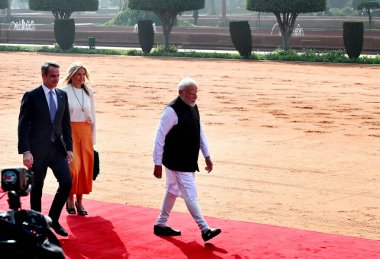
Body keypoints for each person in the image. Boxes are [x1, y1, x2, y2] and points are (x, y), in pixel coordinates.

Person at [153, 77, 221, 242]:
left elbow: (200, 132)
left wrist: (207, 155)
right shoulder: (171, 111)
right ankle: (204, 229)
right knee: (190, 194)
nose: (194, 97)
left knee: (172, 191)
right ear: (180, 93)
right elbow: (159, 137)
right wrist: (157, 163)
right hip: (176, 161)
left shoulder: (193, 107)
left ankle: (161, 224)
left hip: (188, 160)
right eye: (191, 93)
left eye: (195, 93)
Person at [18, 61, 73, 237]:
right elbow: (23, 125)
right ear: (43, 76)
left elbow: (66, 125)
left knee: (66, 183)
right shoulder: (32, 96)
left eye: (58, 76)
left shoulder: (62, 95)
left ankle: (53, 220)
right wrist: (26, 151)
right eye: (52, 76)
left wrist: (69, 148)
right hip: (37, 151)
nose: (56, 79)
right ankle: (37, 225)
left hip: (57, 150)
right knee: (37, 189)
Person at [61, 62, 96, 216]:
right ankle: (69, 199)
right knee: (72, 168)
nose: (81, 77)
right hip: (70, 132)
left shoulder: (89, 91)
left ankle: (79, 201)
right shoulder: (63, 92)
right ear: (71, 76)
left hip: (86, 132)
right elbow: (60, 117)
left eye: (83, 74)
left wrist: (93, 138)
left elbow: (93, 115)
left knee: (84, 169)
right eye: (78, 74)